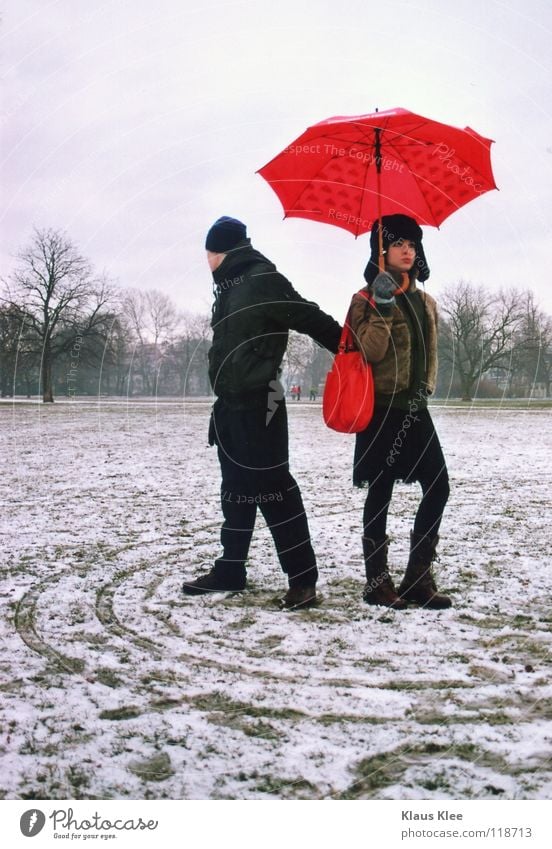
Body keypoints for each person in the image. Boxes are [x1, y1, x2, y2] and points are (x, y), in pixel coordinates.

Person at [182, 217, 341, 609]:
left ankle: (303, 580)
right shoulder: (229, 289)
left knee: (275, 491)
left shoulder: (262, 279)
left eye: (209, 253)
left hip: (262, 403)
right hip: (230, 407)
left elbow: (309, 316)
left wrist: (350, 349)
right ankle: (231, 569)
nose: (207, 260)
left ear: (219, 252)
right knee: (235, 493)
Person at [349, 214, 451, 610]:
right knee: (381, 491)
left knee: (439, 486)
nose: (407, 250)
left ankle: (417, 578)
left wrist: (425, 388)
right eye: (398, 244)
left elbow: (432, 354)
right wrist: (383, 304)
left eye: (412, 244)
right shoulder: (364, 299)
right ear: (382, 251)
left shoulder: (426, 301)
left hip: (414, 410)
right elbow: (371, 352)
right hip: (381, 410)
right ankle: (377, 583)